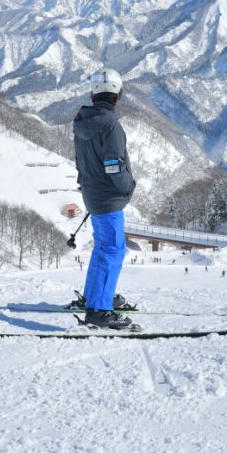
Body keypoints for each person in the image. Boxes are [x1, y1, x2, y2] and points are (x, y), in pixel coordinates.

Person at [74, 67, 138, 330]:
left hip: (92, 193)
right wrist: (128, 187)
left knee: (103, 247)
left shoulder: (82, 121)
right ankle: (100, 310)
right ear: (118, 96)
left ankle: (95, 295)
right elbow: (113, 165)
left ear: (92, 95)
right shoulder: (111, 126)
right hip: (109, 197)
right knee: (113, 250)